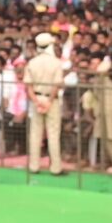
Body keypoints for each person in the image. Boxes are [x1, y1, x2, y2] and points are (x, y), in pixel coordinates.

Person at [24, 32, 70, 175]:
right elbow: (56, 85)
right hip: (52, 100)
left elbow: (28, 86)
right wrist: (49, 101)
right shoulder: (56, 63)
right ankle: (55, 168)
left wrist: (36, 101)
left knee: (35, 133)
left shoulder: (32, 62)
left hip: (36, 98)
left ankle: (34, 166)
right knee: (53, 134)